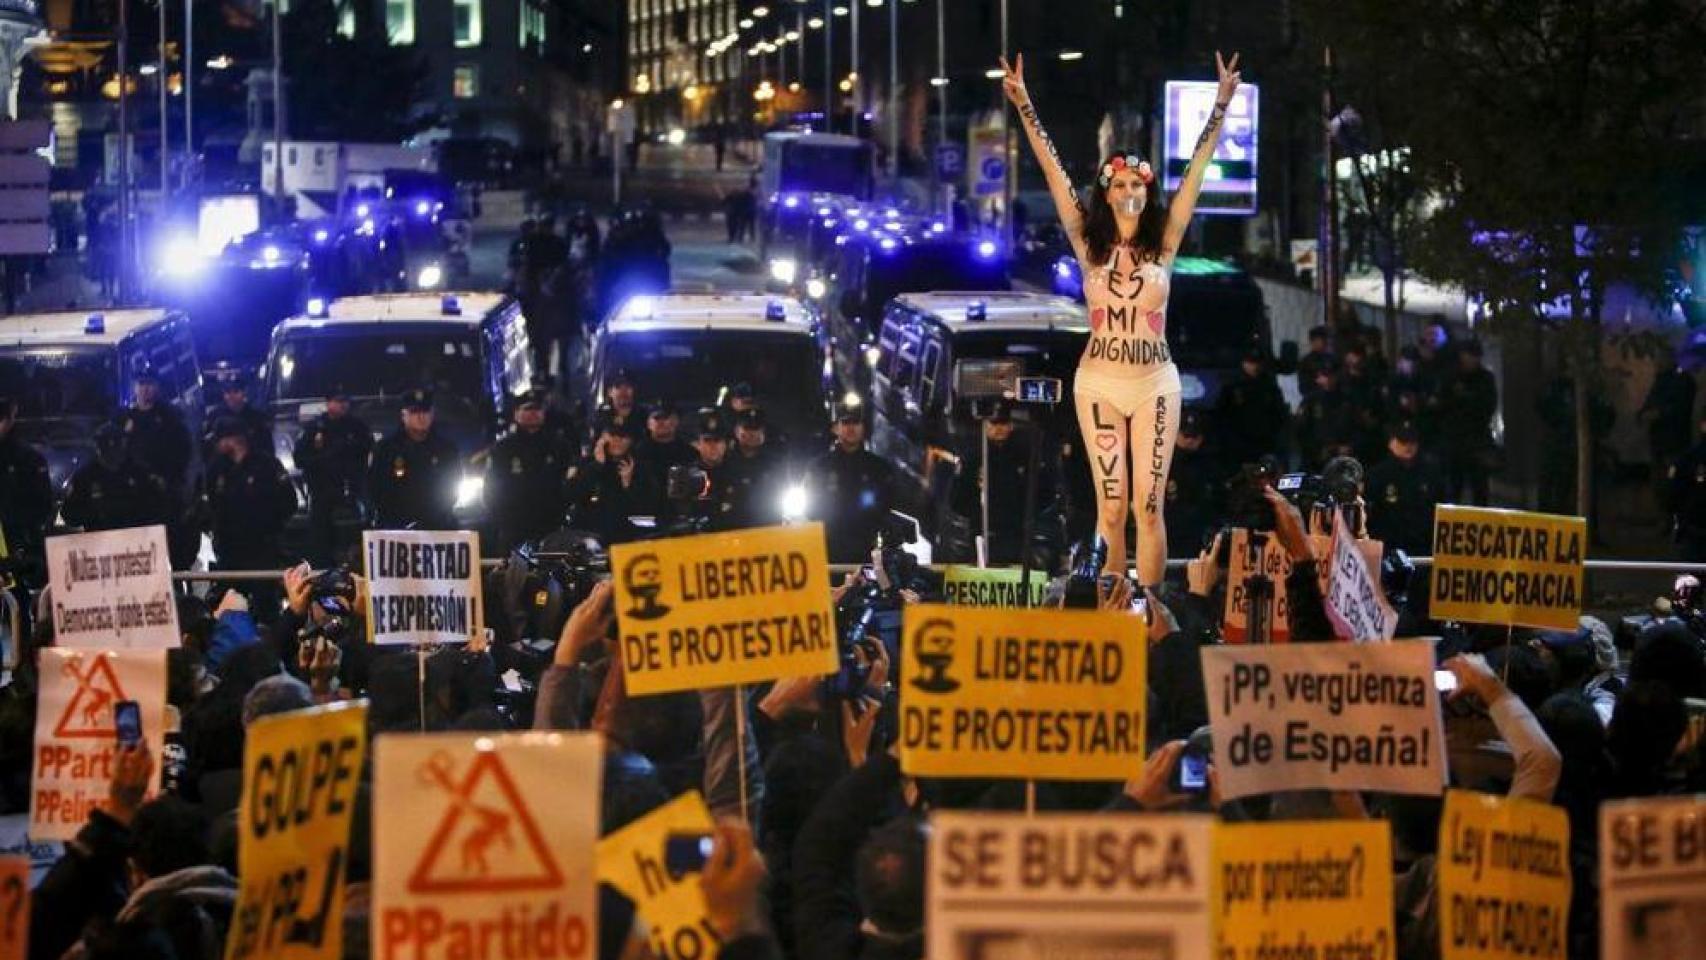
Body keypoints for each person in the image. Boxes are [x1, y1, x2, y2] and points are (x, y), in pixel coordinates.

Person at [1003, 48, 1242, 586]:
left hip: (1155, 383)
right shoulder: (1088, 244)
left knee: (1148, 507)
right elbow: (1052, 169)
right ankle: (1113, 611)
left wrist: (1222, 104)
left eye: (1139, 185)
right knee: (1111, 509)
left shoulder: (1166, 244)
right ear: (1106, 194)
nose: (1130, 192)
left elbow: (1197, 173)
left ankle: (1154, 615)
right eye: (1120, 185)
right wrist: (1024, 105)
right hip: (1099, 384)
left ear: (1148, 191)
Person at [950, 402, 1059, 564]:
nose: (999, 428)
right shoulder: (974, 457)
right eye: (994, 424)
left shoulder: (1025, 454)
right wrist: (975, 513)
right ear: (985, 425)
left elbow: (1044, 491)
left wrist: (1027, 515)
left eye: (1003, 423)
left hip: (1016, 533)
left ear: (1011, 425)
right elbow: (957, 498)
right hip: (982, 531)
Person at [114, 364, 196, 565]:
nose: (145, 389)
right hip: (134, 495)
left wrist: (169, 481)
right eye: (141, 384)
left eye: (149, 384)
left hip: (163, 493)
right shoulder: (124, 418)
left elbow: (183, 453)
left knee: (170, 546)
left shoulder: (170, 417)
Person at [484, 389, 576, 553]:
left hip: (550, 528)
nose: (533, 414)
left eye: (537, 409)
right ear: (516, 413)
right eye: (527, 409)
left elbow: (568, 484)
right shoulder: (503, 448)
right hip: (514, 527)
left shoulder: (559, 446)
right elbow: (491, 489)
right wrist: (502, 520)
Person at [202, 419, 297, 574]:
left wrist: (272, 525)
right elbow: (212, 503)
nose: (217, 445)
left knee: (264, 593)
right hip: (229, 548)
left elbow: (288, 501)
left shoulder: (266, 464)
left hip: (263, 546)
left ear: (233, 440)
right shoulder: (217, 467)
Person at [292, 387, 374, 567]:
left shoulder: (357, 427)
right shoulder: (315, 428)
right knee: (321, 540)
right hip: (322, 491)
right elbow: (300, 458)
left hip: (352, 491)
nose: (342, 405)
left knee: (356, 535)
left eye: (345, 401)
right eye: (337, 401)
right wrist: (323, 459)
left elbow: (367, 452)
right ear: (328, 403)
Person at [805, 405, 895, 563]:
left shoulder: (879, 468)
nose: (851, 428)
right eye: (846, 423)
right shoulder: (819, 467)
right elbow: (810, 509)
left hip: (865, 550)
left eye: (856, 423)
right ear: (835, 428)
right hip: (828, 550)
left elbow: (887, 507)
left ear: (864, 428)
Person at [367, 389, 462, 530]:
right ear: (403, 415)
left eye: (425, 412)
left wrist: (434, 516)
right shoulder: (386, 449)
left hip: (438, 524)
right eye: (415, 412)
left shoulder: (446, 449)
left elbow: (452, 486)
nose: (421, 417)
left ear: (432, 414)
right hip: (396, 526)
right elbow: (375, 488)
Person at [566, 416, 663, 544]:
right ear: (602, 437)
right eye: (612, 435)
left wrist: (628, 484)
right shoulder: (585, 464)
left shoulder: (642, 467)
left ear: (631, 440)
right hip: (588, 537)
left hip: (626, 537)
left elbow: (650, 506)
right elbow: (570, 494)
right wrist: (597, 466)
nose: (617, 440)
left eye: (623, 437)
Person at [61, 424, 174, 532]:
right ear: (97, 447)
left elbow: (159, 506)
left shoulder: (139, 473)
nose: (111, 450)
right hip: (98, 542)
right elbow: (69, 515)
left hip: (135, 540)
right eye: (105, 445)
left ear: (123, 445)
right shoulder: (85, 477)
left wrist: (133, 512)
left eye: (116, 444)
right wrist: (95, 512)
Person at [1364, 422, 1442, 555]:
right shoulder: (1378, 475)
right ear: (1391, 443)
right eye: (1402, 441)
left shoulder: (1430, 473)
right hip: (1389, 546)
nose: (1408, 446)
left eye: (1412, 442)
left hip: (1421, 546)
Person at [0, 397, 54, 580]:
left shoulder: (28, 458)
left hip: (17, 544)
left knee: (17, 600)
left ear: (10, 420)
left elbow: (43, 504)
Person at [1439, 340, 1498, 505]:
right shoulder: (1452, 377)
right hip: (1454, 439)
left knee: (1479, 488)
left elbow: (1487, 407)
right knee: (1454, 486)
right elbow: (1444, 404)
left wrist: (1466, 398)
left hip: (1477, 440)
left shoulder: (1485, 378)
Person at [1163, 409, 1227, 559]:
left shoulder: (1210, 465)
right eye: (1185, 435)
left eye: (1194, 436)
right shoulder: (1163, 461)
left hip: (1199, 534)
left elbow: (1218, 499)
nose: (1189, 440)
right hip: (1168, 533)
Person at [1214, 347, 1289, 466]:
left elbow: (1279, 414)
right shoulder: (1232, 386)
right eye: (1251, 362)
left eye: (1257, 363)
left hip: (1264, 444)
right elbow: (1222, 416)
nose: (1255, 367)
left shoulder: (1269, 386)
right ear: (1243, 363)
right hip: (1239, 445)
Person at [725, 408, 785, 529]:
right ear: (737, 432)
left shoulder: (775, 462)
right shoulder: (726, 462)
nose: (753, 434)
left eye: (757, 429)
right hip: (734, 529)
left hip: (768, 527)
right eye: (747, 429)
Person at [1639, 355, 1696, 479]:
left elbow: (1682, 407)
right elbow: (1651, 400)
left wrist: (1658, 413)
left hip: (1674, 436)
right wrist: (1644, 413)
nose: (1656, 362)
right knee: (1662, 473)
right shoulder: (1662, 380)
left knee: (1673, 473)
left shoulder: (1683, 381)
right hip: (1660, 437)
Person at [202, 378, 272, 462]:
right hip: (224, 465)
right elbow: (207, 446)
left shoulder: (257, 417)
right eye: (227, 392)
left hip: (252, 463)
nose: (231, 396)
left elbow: (267, 446)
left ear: (244, 393)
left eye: (236, 391)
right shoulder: (214, 416)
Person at [635, 400, 696, 488]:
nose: (661, 422)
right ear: (648, 424)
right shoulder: (637, 453)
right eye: (656, 418)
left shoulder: (689, 453)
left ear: (676, 421)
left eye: (665, 417)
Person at [1296, 326, 1335, 400]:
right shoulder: (1306, 362)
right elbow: (1303, 387)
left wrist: (1331, 381)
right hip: (1314, 400)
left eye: (1325, 339)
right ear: (1312, 341)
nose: (1324, 342)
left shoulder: (1332, 359)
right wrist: (1317, 382)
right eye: (1320, 340)